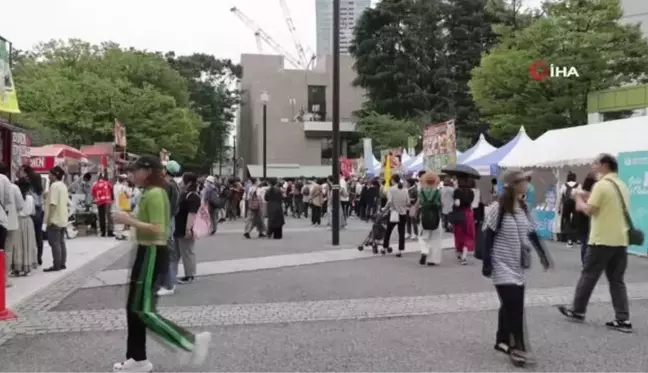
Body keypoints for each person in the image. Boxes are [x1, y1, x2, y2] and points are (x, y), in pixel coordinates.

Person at [111, 156, 211, 373]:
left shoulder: (156, 193)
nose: (131, 175)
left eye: (134, 171)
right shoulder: (151, 191)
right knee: (133, 308)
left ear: (147, 171)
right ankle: (137, 359)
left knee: (142, 309)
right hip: (147, 251)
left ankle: (190, 342)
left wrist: (128, 221)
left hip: (153, 252)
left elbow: (158, 228)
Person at [481, 169, 552, 367]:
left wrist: (543, 255)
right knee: (515, 306)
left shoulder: (523, 207)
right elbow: (489, 236)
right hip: (500, 264)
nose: (527, 185)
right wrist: (487, 264)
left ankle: (501, 340)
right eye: (523, 181)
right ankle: (518, 347)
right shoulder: (498, 208)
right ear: (512, 185)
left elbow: (532, 234)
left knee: (509, 304)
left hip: (517, 265)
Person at [557, 153, 633, 333]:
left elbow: (588, 210)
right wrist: (584, 193)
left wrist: (577, 197)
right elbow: (604, 200)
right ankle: (623, 319)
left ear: (605, 165)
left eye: (596, 163)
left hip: (601, 239)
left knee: (589, 275)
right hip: (620, 239)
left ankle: (577, 311)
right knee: (617, 280)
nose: (592, 166)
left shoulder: (601, 185)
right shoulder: (621, 185)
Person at [174, 172, 201, 285]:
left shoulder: (193, 196)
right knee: (178, 252)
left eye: (183, 181)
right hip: (179, 227)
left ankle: (190, 275)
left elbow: (192, 214)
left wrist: (188, 229)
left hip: (185, 227)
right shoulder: (185, 194)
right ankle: (172, 274)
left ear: (188, 182)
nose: (181, 183)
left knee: (187, 252)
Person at [43, 166, 68, 272]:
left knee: (54, 243)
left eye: (49, 174)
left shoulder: (54, 186)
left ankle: (56, 265)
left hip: (55, 219)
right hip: (62, 218)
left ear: (54, 175)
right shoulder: (63, 186)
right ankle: (62, 263)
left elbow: (53, 204)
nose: (48, 176)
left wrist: (49, 219)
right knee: (61, 242)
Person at [10, 178, 37, 276]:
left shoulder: (14, 196)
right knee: (27, 244)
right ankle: (27, 267)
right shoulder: (30, 198)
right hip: (28, 221)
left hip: (17, 220)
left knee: (17, 245)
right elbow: (33, 212)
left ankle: (17, 268)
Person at [19, 165, 44, 265]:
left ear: (26, 173)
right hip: (40, 210)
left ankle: (31, 257)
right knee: (39, 235)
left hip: (32, 210)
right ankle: (39, 257)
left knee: (30, 235)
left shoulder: (27, 185)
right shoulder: (38, 184)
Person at [572, 172, 598, 265]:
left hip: (582, 219)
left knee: (585, 243)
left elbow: (577, 207)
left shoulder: (580, 192)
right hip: (589, 219)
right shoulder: (588, 193)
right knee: (588, 243)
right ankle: (587, 262)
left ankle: (585, 262)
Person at [418, 172, 442, 266]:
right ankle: (432, 259)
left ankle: (424, 251)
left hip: (424, 215)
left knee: (423, 236)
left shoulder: (421, 192)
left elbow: (420, 203)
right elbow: (441, 204)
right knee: (435, 238)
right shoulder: (438, 192)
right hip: (436, 216)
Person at [382, 175, 409, 257]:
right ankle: (400, 250)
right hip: (403, 213)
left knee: (388, 231)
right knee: (401, 232)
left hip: (393, 212)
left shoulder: (391, 189)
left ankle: (385, 247)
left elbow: (389, 201)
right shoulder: (405, 190)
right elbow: (408, 202)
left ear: (393, 180)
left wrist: (384, 209)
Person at [452, 177, 476, 265]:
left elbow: (457, 204)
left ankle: (459, 253)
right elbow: (472, 204)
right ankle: (464, 256)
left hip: (459, 215)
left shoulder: (457, 191)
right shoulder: (471, 192)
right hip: (469, 215)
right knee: (468, 235)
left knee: (459, 235)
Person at [559, 171, 580, 247]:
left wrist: (559, 207)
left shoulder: (564, 186)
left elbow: (561, 197)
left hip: (566, 205)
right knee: (576, 222)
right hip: (576, 205)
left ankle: (569, 240)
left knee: (566, 222)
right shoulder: (579, 185)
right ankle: (578, 240)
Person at [92, 173, 114, 237]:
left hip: (100, 202)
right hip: (107, 201)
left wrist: (96, 199)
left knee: (101, 217)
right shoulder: (107, 183)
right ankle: (110, 232)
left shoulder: (95, 185)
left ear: (98, 178)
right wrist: (112, 199)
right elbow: (112, 189)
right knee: (108, 216)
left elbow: (93, 195)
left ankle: (103, 232)